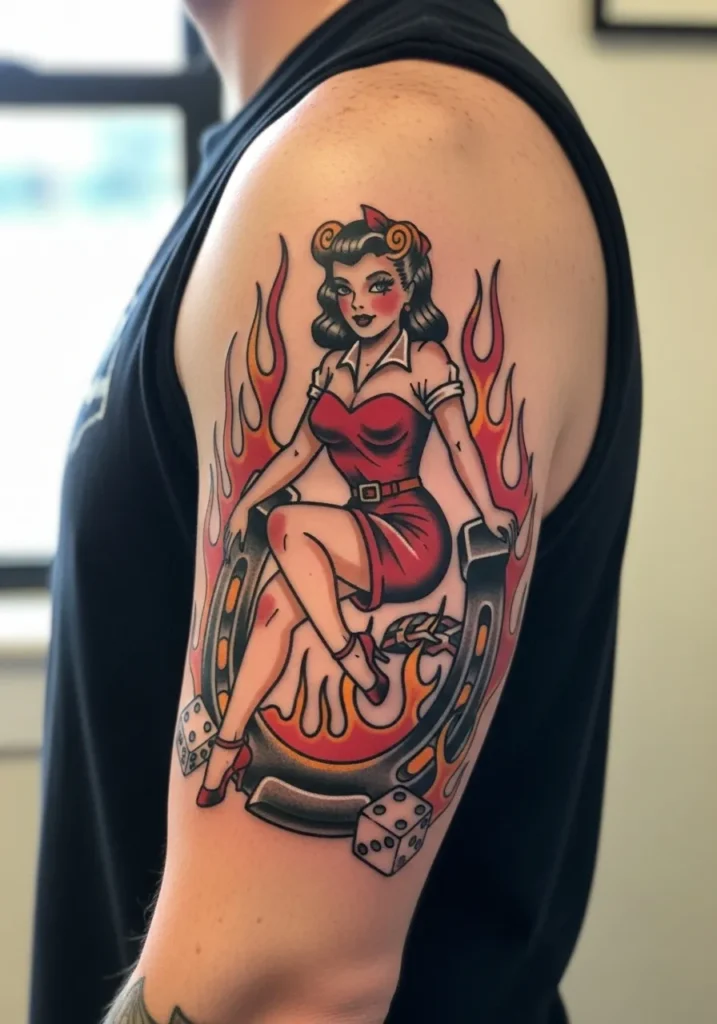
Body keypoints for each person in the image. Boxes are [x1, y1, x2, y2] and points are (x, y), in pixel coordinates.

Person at [30, 2, 642, 1023]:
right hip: (339, 541)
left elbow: (278, 991)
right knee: (275, 599)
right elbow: (292, 463)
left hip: (408, 536)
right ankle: (241, 729)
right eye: (347, 286)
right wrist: (262, 500)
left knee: (288, 538)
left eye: (377, 283)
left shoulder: (391, 148)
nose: (359, 300)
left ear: (405, 284)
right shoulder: (295, 161)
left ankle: (349, 665)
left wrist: (478, 516)